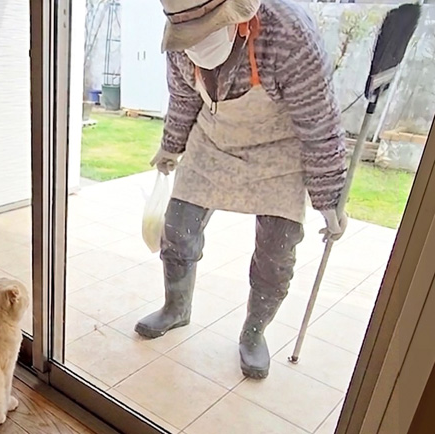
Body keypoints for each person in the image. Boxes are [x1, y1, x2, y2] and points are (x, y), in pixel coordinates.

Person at [136, 0, 348, 379]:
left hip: (278, 146)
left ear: (239, 19)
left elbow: (318, 121)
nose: (196, 44)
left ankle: (254, 334)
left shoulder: (288, 33)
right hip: (214, 138)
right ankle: (176, 307)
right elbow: (184, 99)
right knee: (179, 226)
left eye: (205, 31)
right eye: (190, 36)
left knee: (277, 250)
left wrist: (329, 198)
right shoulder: (181, 43)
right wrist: (171, 146)